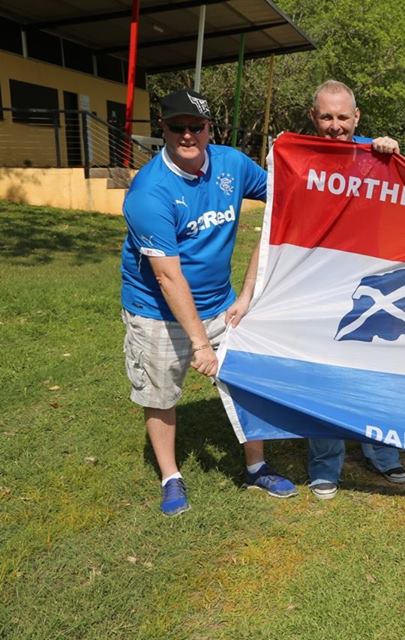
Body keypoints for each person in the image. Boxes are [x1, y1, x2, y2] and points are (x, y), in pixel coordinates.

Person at [121, 89, 297, 517]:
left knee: (246, 380)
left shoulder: (232, 164)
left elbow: (288, 196)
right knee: (161, 395)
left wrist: (251, 288)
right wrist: (200, 344)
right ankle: (170, 476)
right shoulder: (148, 192)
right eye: (176, 127)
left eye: (195, 127)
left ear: (209, 128)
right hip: (156, 311)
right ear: (162, 129)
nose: (187, 135)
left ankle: (256, 466)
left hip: (222, 303)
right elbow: (168, 276)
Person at [304, 80, 405, 501]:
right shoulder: (298, 159)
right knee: (324, 376)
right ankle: (325, 464)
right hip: (317, 285)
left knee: (372, 372)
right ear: (314, 118)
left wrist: (391, 151)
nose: (334, 126)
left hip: (371, 283)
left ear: (357, 117)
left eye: (342, 117)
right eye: (326, 117)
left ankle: (381, 452)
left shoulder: (376, 155)